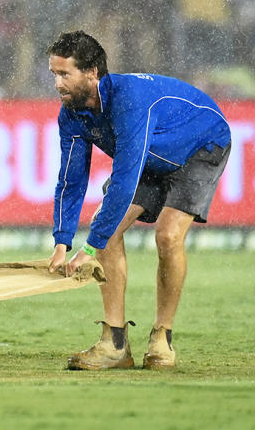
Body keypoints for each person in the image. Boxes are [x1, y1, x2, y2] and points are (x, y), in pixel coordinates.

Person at [45, 30, 231, 370]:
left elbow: (126, 179)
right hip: (153, 157)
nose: (57, 84)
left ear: (92, 72)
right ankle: (115, 344)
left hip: (200, 145)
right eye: (54, 74)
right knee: (109, 231)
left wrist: (87, 249)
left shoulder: (129, 100)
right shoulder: (70, 114)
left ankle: (162, 337)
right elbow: (70, 180)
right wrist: (61, 242)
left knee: (168, 235)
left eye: (64, 74)